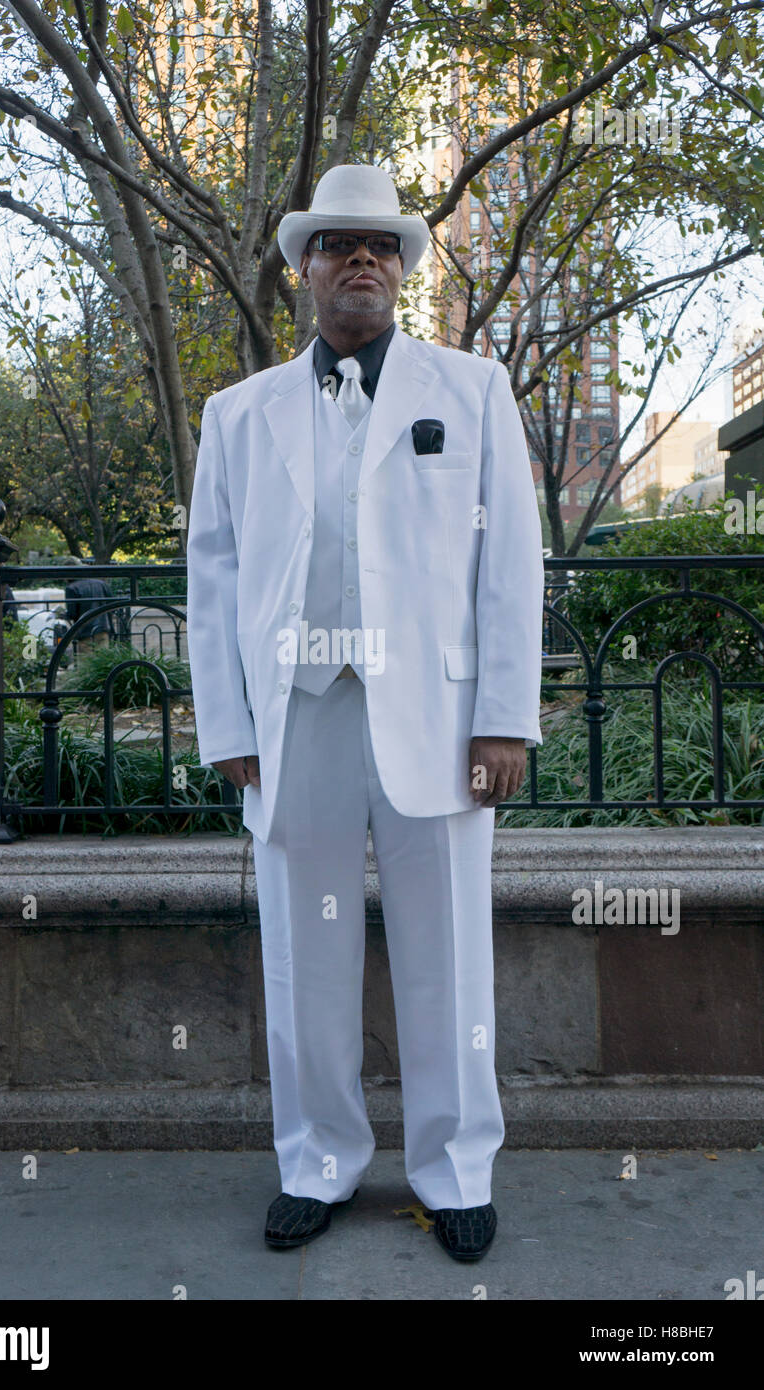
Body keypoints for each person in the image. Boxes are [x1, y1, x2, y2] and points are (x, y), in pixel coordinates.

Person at [186, 164, 544, 1262]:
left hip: (434, 716)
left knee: (447, 951)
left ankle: (453, 1170)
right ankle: (317, 1160)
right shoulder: (238, 413)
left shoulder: (472, 391)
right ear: (302, 268)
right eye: (337, 242)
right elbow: (213, 576)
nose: (360, 258)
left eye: (379, 245)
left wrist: (503, 719)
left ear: (399, 270)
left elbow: (508, 568)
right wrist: (230, 726)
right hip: (299, 715)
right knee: (302, 950)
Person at [60, 555, 116, 661]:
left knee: (86, 666)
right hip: (103, 628)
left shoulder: (71, 588)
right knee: (103, 664)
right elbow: (112, 605)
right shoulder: (101, 584)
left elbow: (72, 613)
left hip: (85, 632)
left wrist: (62, 614)